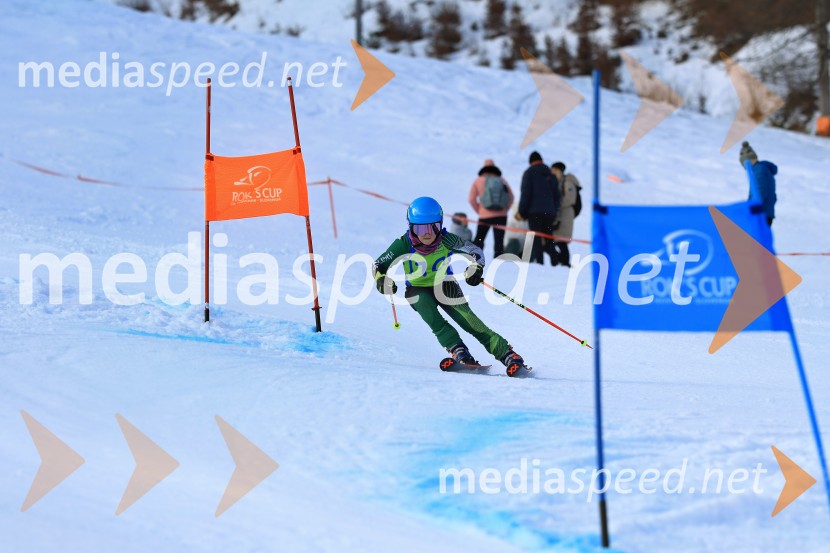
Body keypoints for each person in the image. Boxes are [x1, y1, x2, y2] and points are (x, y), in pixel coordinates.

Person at [373, 196, 527, 376]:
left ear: (440, 224)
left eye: (433, 227)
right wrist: (381, 280)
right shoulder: (404, 243)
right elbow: (378, 265)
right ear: (411, 227)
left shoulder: (447, 240)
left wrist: (476, 268)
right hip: (417, 288)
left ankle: (508, 355)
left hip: (445, 285)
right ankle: (459, 351)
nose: (427, 233)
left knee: (469, 321)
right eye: (420, 228)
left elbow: (475, 251)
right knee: (432, 316)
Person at [517, 151, 560, 265]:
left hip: (534, 212)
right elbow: (557, 196)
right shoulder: (551, 175)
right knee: (549, 238)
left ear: (531, 162)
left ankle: (540, 264)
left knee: (536, 239)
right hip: (549, 213)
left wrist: (522, 211)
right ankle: (555, 262)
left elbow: (525, 193)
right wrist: (554, 210)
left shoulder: (529, 173)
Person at [468, 159, 514, 259]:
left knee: (480, 238)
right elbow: (511, 197)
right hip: (501, 216)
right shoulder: (502, 180)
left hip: (484, 216)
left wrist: (480, 210)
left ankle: (475, 260)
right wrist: (505, 210)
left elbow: (471, 199)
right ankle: (499, 262)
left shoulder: (478, 180)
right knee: (499, 241)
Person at [739, 141, 777, 226]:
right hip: (765, 212)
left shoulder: (759, 170)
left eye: (743, 164)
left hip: (760, 214)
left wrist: (752, 210)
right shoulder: (762, 169)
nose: (744, 167)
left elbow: (760, 191)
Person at [550, 162, 580, 267]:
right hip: (562, 214)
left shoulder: (567, 181)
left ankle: (564, 263)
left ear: (558, 170)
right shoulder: (560, 182)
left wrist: (557, 204)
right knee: (558, 240)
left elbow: (570, 198)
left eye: (553, 170)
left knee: (561, 241)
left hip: (566, 215)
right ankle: (562, 262)